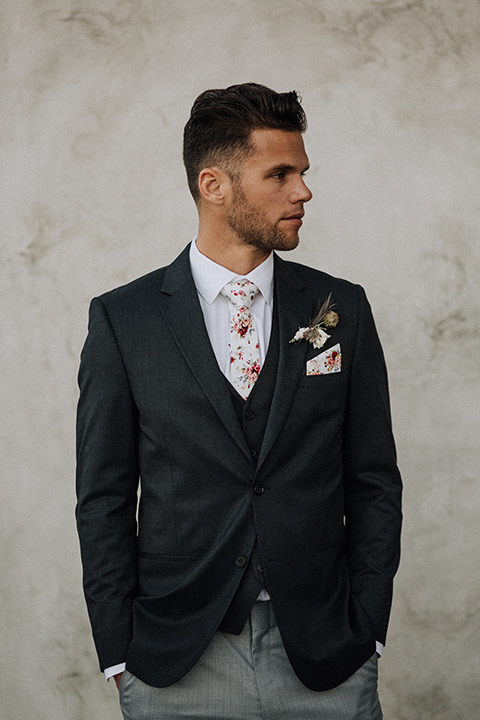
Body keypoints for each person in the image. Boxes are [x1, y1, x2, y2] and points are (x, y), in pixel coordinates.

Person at [76, 82, 402, 720]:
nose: (303, 191)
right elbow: (104, 496)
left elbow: (373, 479)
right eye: (279, 174)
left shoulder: (341, 308)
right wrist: (119, 653)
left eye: (303, 173)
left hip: (326, 652)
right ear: (214, 184)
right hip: (178, 659)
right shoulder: (123, 320)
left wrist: (368, 627)